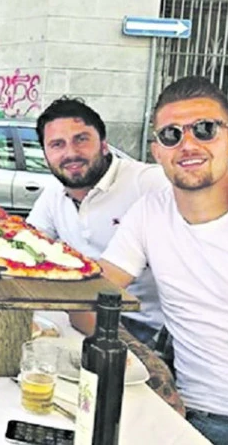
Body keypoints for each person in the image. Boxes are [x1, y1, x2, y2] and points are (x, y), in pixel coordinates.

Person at [94, 76, 228, 444]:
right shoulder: (150, 212)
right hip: (189, 418)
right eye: (171, 135)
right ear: (157, 152)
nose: (188, 144)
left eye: (205, 129)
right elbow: (93, 297)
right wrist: (149, 364)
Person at [27, 97, 167, 345]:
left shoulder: (148, 182)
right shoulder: (53, 194)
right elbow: (27, 249)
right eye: (57, 144)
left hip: (146, 326)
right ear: (46, 154)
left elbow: (210, 191)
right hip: (80, 310)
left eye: (81, 139)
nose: (71, 153)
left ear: (103, 144)